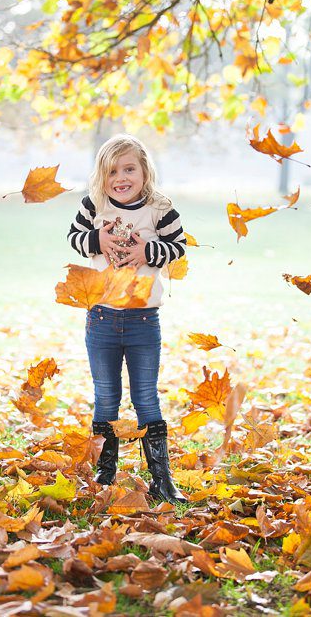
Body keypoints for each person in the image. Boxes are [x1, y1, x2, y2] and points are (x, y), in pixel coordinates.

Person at [67, 135, 188, 503]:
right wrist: (97, 241)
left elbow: (178, 247)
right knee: (106, 396)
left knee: (146, 397)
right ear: (102, 177)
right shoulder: (94, 205)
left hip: (143, 320)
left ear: (144, 171)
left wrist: (146, 249)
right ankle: (105, 474)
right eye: (113, 171)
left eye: (129, 169)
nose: (121, 177)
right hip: (101, 318)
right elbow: (73, 238)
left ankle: (161, 479)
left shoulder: (159, 209)